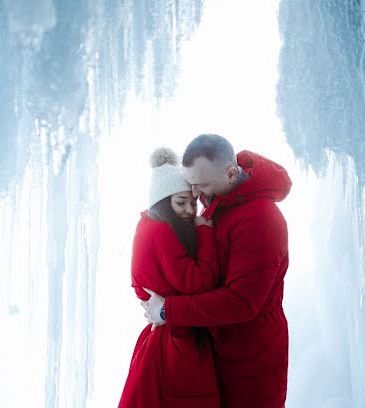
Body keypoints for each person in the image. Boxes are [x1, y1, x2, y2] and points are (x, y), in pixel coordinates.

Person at [142, 134, 291, 408]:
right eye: (191, 186)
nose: (196, 195)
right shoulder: (220, 204)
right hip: (216, 355)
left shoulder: (261, 219)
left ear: (231, 173)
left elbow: (241, 302)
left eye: (201, 186)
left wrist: (168, 311)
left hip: (250, 362)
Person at [118, 147, 221, 408]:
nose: (189, 210)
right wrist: (206, 235)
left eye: (192, 202)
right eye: (180, 202)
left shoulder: (148, 226)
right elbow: (200, 282)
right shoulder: (164, 232)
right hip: (176, 345)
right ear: (163, 203)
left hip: (162, 339)